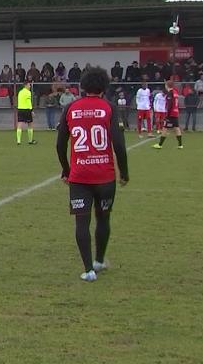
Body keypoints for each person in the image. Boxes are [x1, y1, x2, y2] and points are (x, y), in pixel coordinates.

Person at [56, 67, 129, 282]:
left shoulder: (70, 108)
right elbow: (119, 144)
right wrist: (124, 172)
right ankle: (99, 260)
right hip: (105, 176)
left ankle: (88, 270)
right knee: (103, 218)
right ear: (104, 86)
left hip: (79, 177)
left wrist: (66, 169)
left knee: (81, 222)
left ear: (83, 86)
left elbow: (60, 145)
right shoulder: (109, 108)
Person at [152, 79, 183, 150]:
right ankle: (180, 145)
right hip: (175, 112)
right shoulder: (175, 92)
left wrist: (167, 115)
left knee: (165, 128)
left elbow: (170, 104)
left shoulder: (170, 93)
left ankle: (160, 144)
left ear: (167, 85)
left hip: (171, 113)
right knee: (177, 128)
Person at [16, 80, 37, 145]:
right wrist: (31, 111)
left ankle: (18, 141)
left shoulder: (20, 92)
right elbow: (28, 102)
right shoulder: (28, 92)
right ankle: (30, 140)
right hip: (27, 110)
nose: (30, 86)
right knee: (30, 124)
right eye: (29, 85)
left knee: (19, 124)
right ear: (25, 85)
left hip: (20, 109)